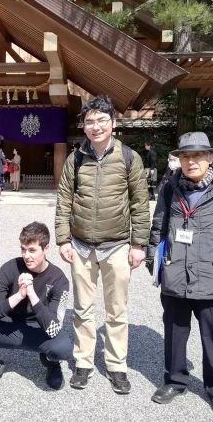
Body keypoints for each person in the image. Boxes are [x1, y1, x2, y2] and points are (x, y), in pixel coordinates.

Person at [147, 132, 213, 421]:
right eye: (185, 156)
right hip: (176, 276)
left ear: (209, 158)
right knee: (174, 334)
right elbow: (157, 228)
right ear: (179, 159)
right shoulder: (170, 189)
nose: (191, 161)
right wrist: (153, 263)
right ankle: (175, 381)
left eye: (197, 155)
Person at [55, 94, 149, 393]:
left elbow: (140, 203)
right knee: (83, 308)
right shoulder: (76, 158)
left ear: (113, 123)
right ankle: (83, 362)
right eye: (89, 121)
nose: (95, 126)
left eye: (101, 120)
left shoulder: (129, 157)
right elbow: (64, 200)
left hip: (118, 244)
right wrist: (62, 238)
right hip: (81, 245)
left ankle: (116, 364)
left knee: (116, 309)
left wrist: (139, 244)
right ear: (83, 126)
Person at [0, 221, 72, 395]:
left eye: (32, 250)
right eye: (23, 249)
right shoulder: (9, 268)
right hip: (9, 327)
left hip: (39, 329)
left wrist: (31, 294)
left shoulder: (59, 279)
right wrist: (18, 296)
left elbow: (54, 328)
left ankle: (50, 362)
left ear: (45, 249)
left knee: (63, 348)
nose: (26, 255)